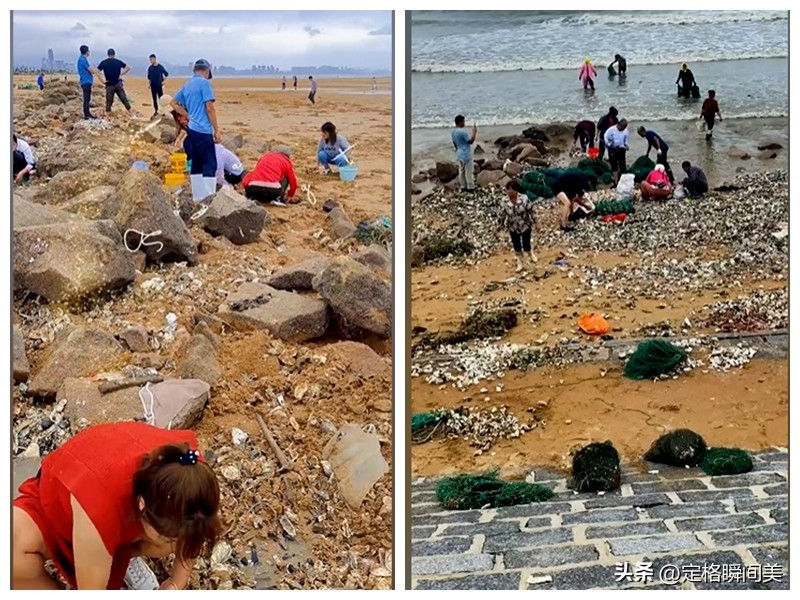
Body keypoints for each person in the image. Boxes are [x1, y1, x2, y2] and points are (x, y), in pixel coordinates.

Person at [12, 421, 221, 590]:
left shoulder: (189, 474)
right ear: (141, 505)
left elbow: (195, 529)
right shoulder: (99, 509)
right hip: (66, 507)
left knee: (168, 539)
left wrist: (175, 583)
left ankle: (121, 559)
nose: (177, 544)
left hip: (116, 514)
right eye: (170, 538)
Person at [172, 59, 221, 211]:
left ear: (194, 70)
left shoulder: (187, 85)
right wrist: (216, 130)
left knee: (197, 162)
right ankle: (209, 199)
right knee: (209, 163)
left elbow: (173, 103)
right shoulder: (205, 84)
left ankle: (197, 197)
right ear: (207, 71)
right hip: (203, 130)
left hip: (192, 129)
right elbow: (210, 108)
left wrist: (188, 115)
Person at [499, 180, 537, 272]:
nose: (509, 192)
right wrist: (498, 227)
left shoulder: (524, 198)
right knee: (516, 245)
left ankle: (530, 253)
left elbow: (531, 210)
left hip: (525, 224)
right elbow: (501, 215)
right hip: (513, 226)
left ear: (515, 190)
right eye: (507, 190)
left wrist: (536, 222)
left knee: (526, 243)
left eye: (510, 190)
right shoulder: (504, 201)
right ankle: (520, 262)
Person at [97, 49, 132, 116]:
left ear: (107, 54)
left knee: (109, 101)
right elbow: (128, 68)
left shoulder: (104, 62)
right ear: (114, 54)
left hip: (109, 84)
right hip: (118, 83)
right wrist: (121, 74)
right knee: (124, 99)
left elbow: (97, 71)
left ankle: (107, 117)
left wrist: (102, 81)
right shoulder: (118, 62)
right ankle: (131, 114)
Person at [77, 45, 105, 120]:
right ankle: (87, 115)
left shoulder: (82, 59)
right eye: (88, 51)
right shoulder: (83, 60)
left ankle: (88, 113)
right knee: (86, 99)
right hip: (86, 82)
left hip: (85, 81)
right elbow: (91, 70)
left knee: (87, 99)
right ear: (86, 52)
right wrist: (97, 72)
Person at [451, 115, 477, 192]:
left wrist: (458, 150)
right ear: (460, 122)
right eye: (463, 121)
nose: (464, 123)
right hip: (466, 153)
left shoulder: (453, 132)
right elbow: (471, 141)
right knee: (469, 171)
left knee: (461, 171)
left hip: (459, 153)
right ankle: (470, 187)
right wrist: (474, 132)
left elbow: (454, 143)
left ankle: (463, 186)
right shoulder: (462, 132)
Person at [603, 119, 629, 184]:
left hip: (621, 148)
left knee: (622, 164)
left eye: (624, 128)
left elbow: (626, 139)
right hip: (612, 148)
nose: (622, 129)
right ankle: (616, 181)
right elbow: (605, 137)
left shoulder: (626, 131)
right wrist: (608, 144)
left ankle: (623, 180)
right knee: (614, 164)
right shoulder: (611, 130)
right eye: (622, 127)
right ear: (619, 124)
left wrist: (626, 145)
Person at [147, 54, 169, 119]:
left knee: (161, 99)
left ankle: (162, 111)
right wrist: (149, 84)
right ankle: (156, 111)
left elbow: (166, 74)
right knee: (154, 99)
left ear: (155, 59)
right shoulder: (150, 68)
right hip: (153, 86)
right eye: (150, 60)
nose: (151, 61)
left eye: (151, 59)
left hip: (159, 85)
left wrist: (163, 81)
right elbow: (149, 77)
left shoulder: (160, 67)